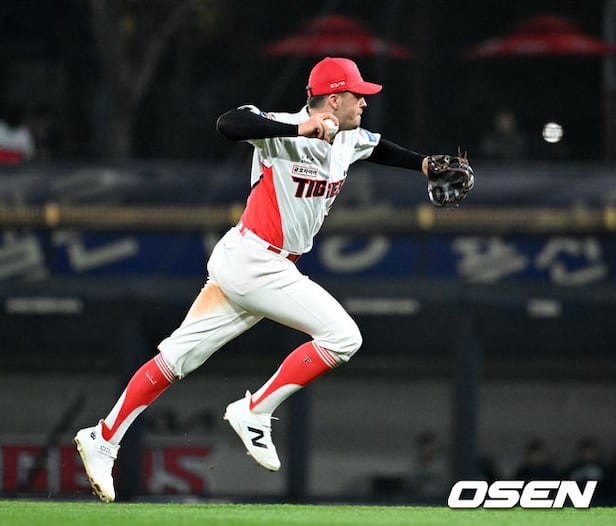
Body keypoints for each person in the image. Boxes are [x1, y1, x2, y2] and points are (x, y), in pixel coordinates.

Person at [73, 56, 465, 503]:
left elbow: (379, 148)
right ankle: (255, 410)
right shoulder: (280, 128)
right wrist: (301, 128)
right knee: (343, 338)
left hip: (260, 264)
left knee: (176, 358)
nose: (365, 102)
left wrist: (423, 165)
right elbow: (229, 124)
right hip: (256, 260)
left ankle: (103, 437)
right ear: (334, 99)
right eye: (358, 94)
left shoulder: (349, 137)